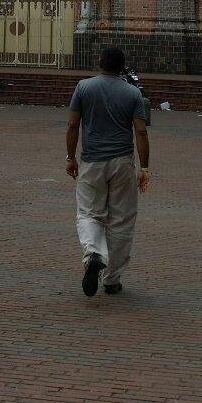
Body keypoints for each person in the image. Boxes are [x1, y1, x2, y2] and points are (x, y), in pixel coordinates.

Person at [66, 47, 149, 298]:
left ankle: (93, 254)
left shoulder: (83, 87)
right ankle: (112, 279)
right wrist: (144, 167)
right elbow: (141, 132)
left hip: (91, 161)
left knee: (89, 213)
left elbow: (72, 124)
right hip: (123, 161)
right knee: (122, 220)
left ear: (100, 62)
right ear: (122, 67)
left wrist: (70, 158)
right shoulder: (133, 93)